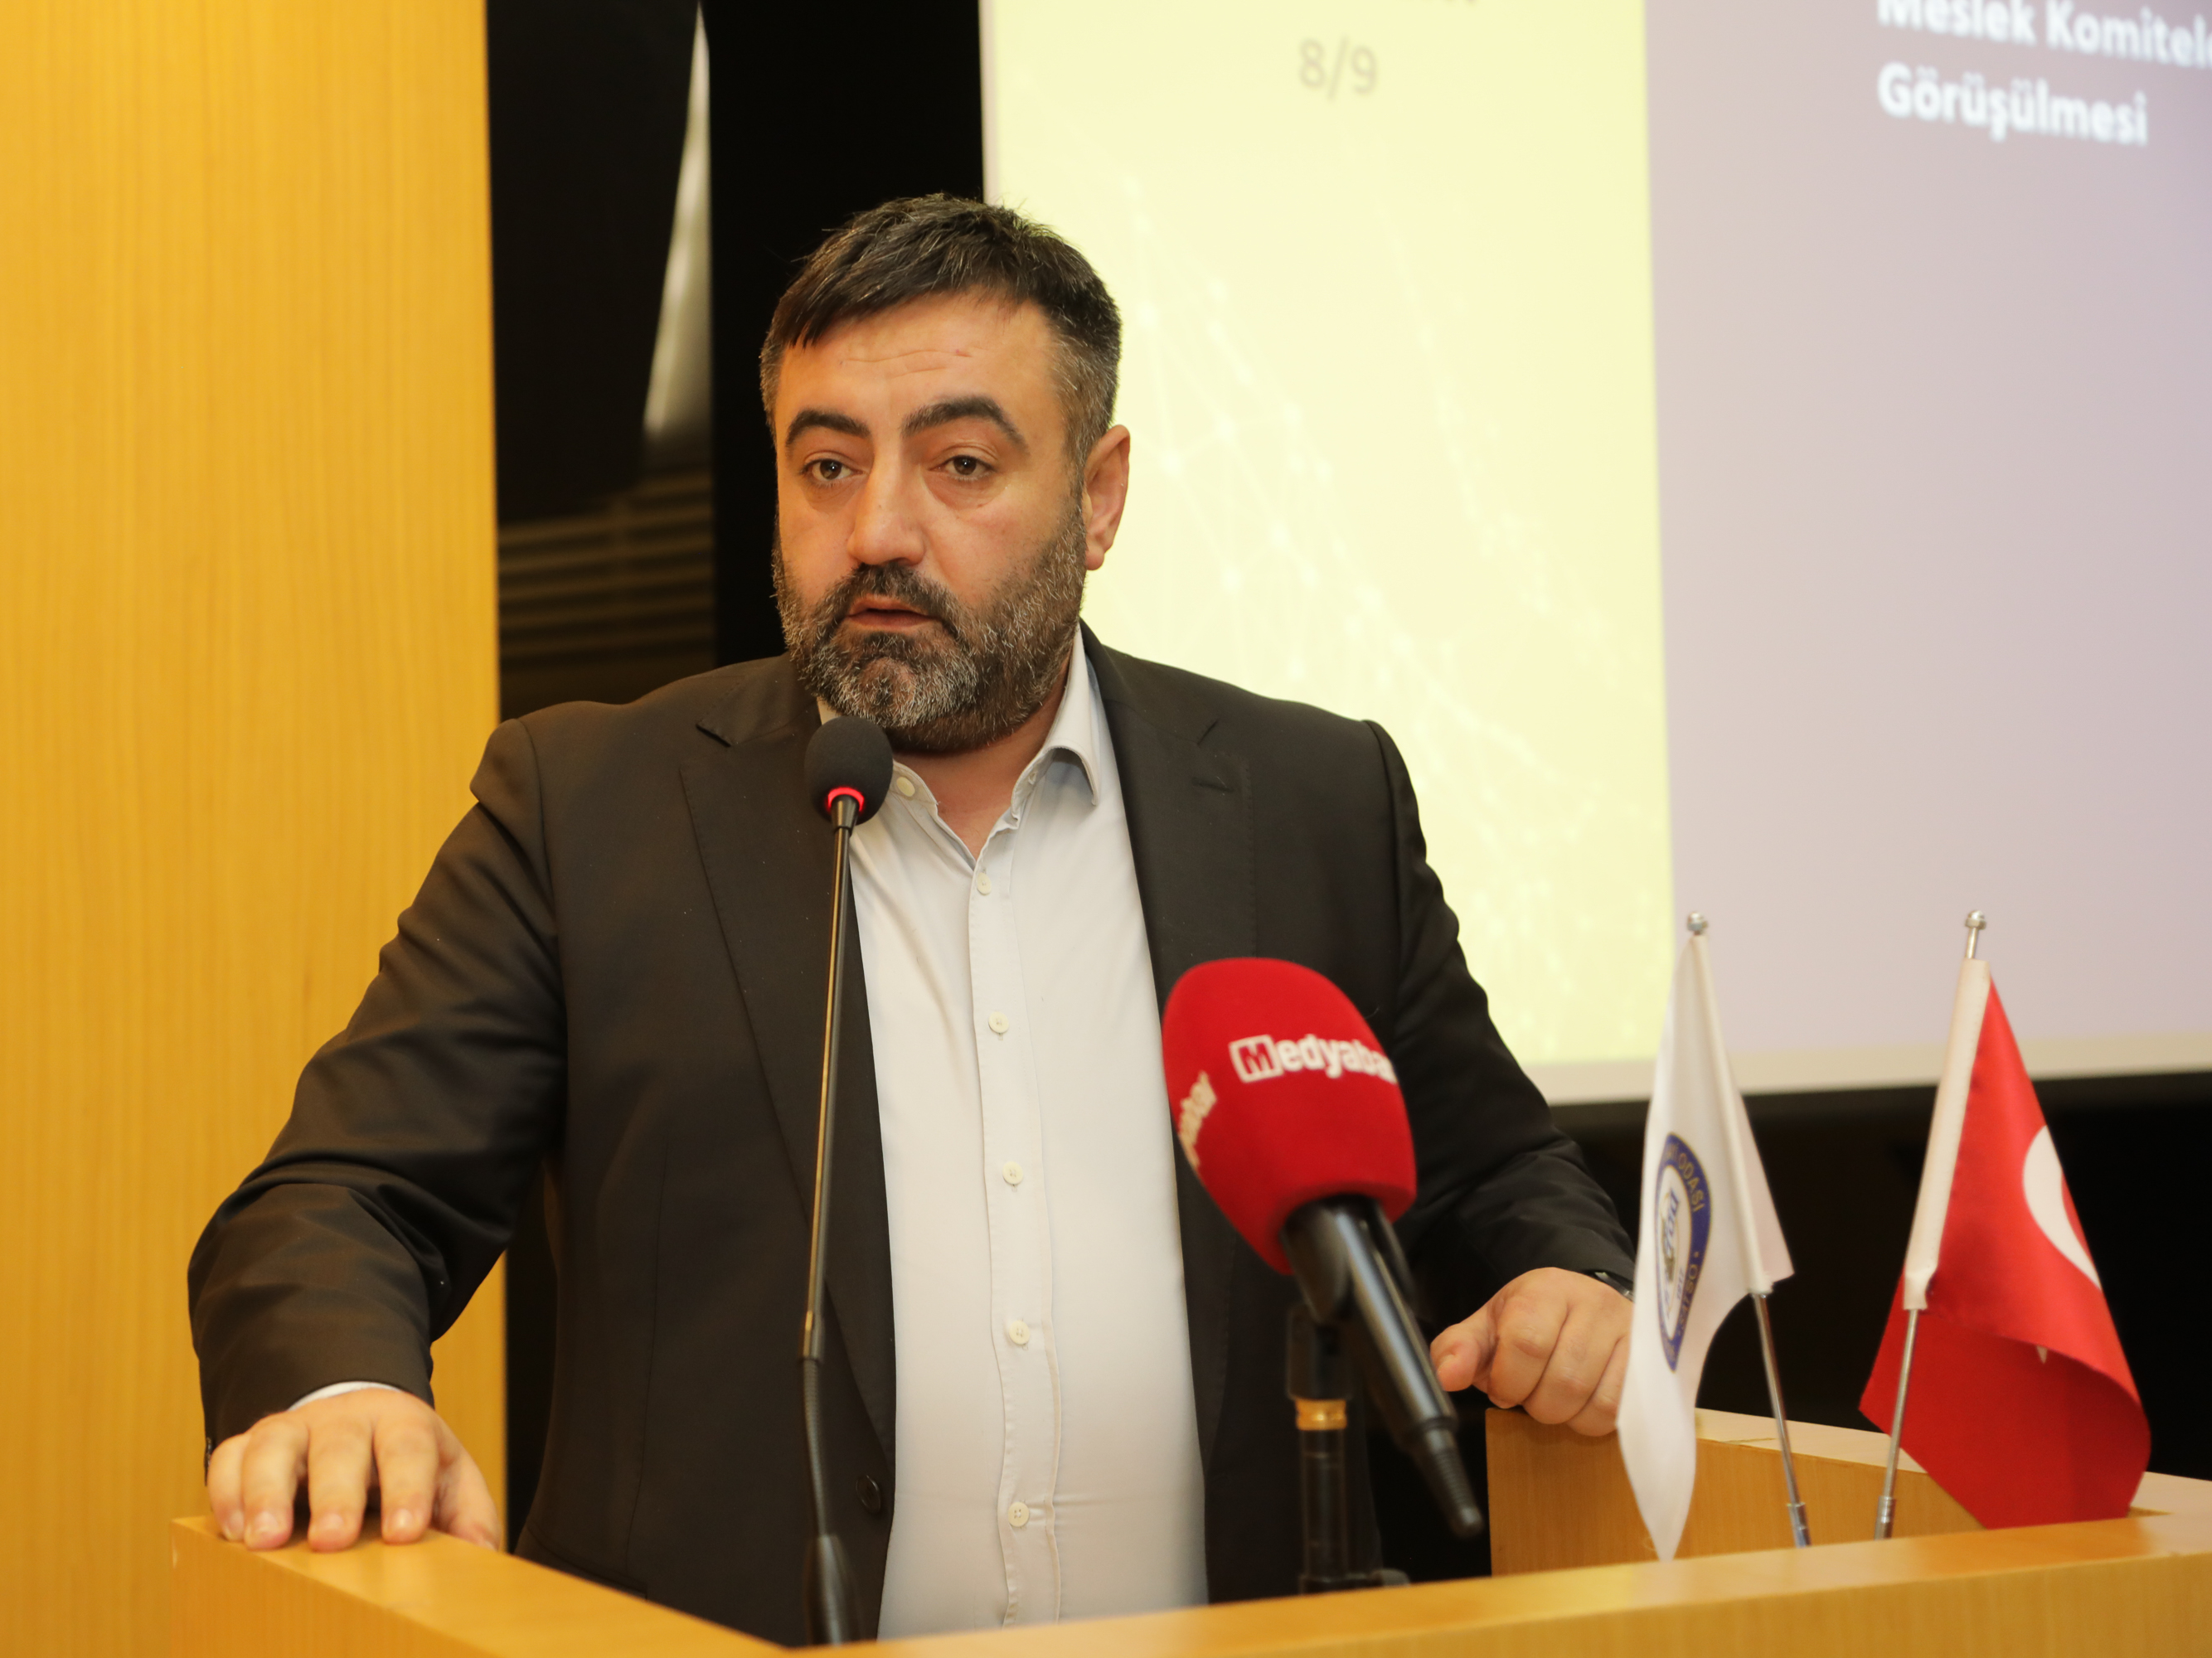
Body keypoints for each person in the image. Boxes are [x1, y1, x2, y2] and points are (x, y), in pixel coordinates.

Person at [188, 196, 1636, 1642]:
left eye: (961, 464)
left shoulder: (1309, 800)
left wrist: (1564, 1280)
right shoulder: (590, 808)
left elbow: (1495, 1172)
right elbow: (340, 1196)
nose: (877, 531)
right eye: (826, 466)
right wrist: (343, 1391)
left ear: (1100, 496)